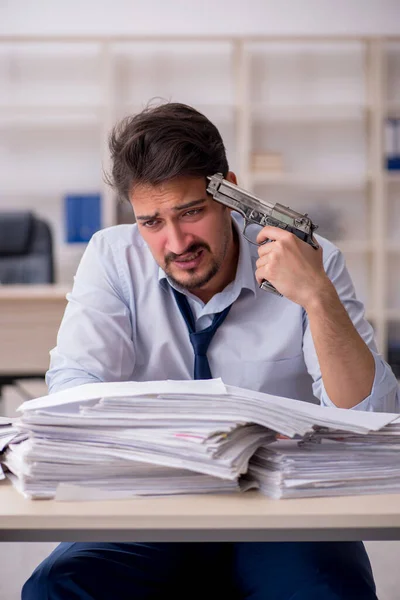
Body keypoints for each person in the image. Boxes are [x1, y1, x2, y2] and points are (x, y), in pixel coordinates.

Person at [22, 102, 399, 600]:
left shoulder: (309, 258)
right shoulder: (113, 257)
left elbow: (372, 418)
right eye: (151, 222)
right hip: (149, 506)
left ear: (230, 193)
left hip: (282, 513)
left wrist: (317, 297)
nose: (176, 242)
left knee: (329, 593)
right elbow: (75, 387)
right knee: (58, 588)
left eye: (191, 212)